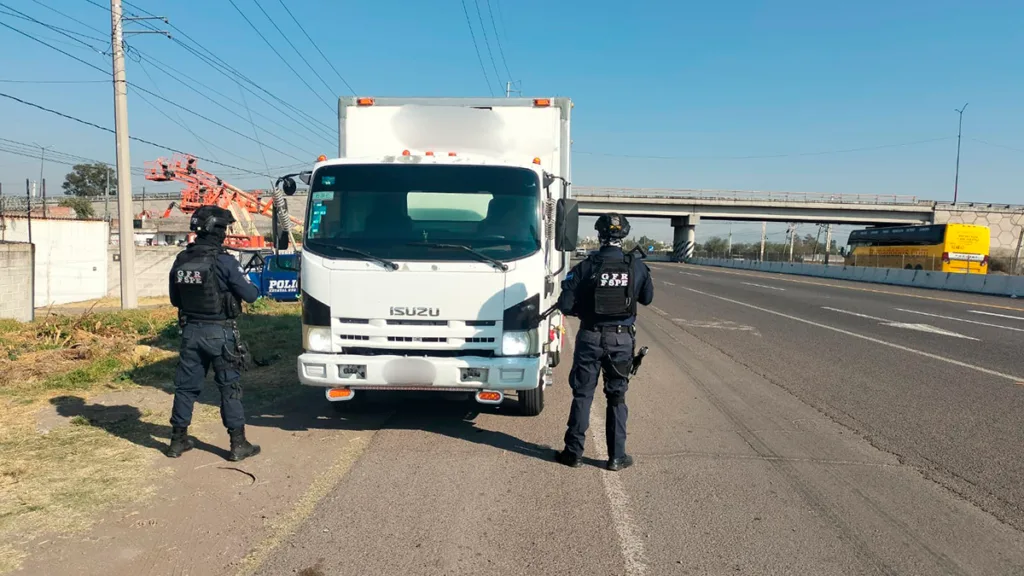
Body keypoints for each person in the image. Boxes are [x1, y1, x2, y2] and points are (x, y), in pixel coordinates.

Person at [554, 213, 654, 471]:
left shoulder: (586, 266)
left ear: (599, 235)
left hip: (590, 337)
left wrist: (582, 308)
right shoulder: (636, 266)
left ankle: (573, 454)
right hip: (621, 339)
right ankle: (616, 457)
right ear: (625, 236)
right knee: (617, 397)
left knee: (583, 395)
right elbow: (647, 299)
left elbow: (564, 305)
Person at [165, 205, 262, 461]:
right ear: (218, 230)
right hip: (221, 334)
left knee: (185, 388)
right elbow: (251, 295)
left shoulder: (182, 260)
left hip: (191, 332)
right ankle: (238, 444)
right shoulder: (225, 261)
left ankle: (177, 441)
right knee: (229, 388)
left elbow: (176, 300)